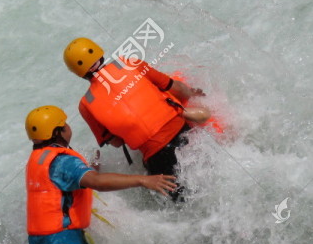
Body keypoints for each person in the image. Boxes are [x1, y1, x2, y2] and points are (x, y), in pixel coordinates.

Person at [25, 106, 177, 244]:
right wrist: (143, 180)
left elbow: (65, 186)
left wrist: (90, 170)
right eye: (64, 124)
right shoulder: (63, 161)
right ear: (58, 131)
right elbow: (95, 182)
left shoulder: (37, 160)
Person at [63, 38, 210, 203]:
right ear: (99, 52)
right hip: (184, 132)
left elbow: (117, 142)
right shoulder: (129, 62)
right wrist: (191, 94)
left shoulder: (85, 105)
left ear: (77, 72)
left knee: (182, 202)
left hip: (157, 157)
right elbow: (174, 87)